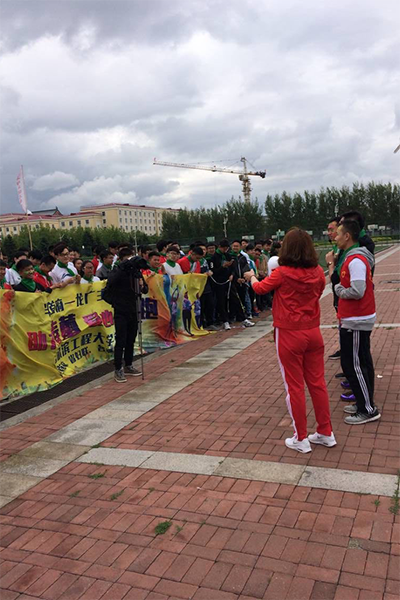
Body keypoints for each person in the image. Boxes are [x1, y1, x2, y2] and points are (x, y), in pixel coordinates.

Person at [244, 228, 336, 453]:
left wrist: (251, 276)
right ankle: (325, 432)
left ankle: (300, 437)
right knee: (317, 383)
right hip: (313, 331)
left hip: (288, 333)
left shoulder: (282, 273)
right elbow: (319, 291)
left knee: (294, 386)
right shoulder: (317, 271)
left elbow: (260, 288)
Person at [333, 219, 380, 424]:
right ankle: (363, 401)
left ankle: (367, 409)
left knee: (354, 365)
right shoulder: (352, 258)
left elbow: (358, 291)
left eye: (338, 233)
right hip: (354, 319)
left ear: (347, 236)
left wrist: (339, 290)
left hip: (356, 321)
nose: (335, 237)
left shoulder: (356, 260)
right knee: (357, 362)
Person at [105, 248, 147, 382]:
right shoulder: (117, 271)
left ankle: (129, 364)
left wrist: (142, 284)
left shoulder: (136, 272)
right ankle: (118, 368)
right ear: (121, 259)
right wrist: (123, 267)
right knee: (121, 340)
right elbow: (110, 282)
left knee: (131, 339)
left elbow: (145, 289)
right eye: (127, 258)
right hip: (121, 310)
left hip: (134, 309)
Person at [325, 216, 342, 361]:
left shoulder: (344, 249)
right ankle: (344, 348)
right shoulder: (336, 247)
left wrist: (330, 263)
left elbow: (334, 277)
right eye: (328, 230)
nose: (329, 233)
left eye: (332, 229)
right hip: (338, 292)